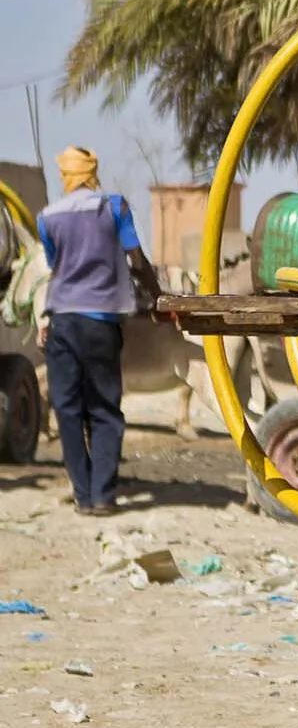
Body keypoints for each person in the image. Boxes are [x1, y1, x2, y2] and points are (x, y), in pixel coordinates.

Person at [35, 146, 162, 516]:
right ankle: (104, 496)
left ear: (65, 176)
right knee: (105, 408)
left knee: (68, 408)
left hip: (62, 320)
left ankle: (83, 494)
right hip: (102, 321)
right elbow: (135, 258)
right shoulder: (115, 206)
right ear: (93, 172)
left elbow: (57, 266)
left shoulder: (47, 217)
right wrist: (157, 295)